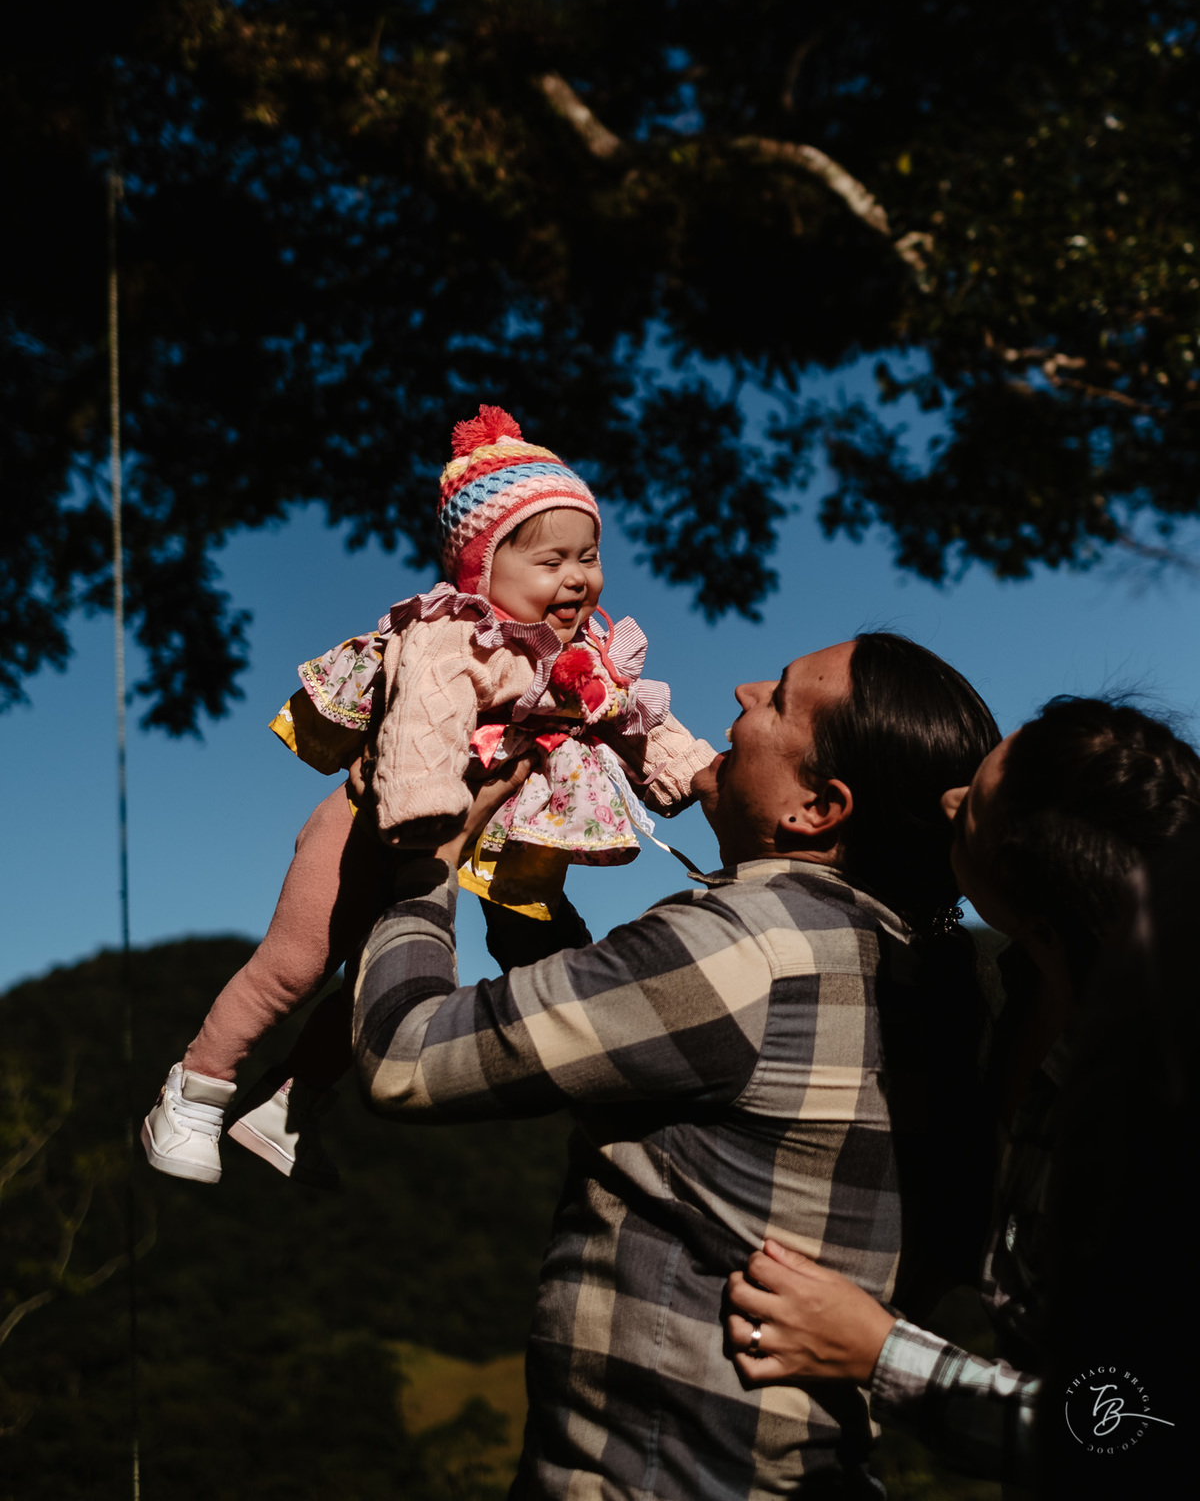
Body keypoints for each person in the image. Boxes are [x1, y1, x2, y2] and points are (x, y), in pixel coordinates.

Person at [353, 631, 999, 1497]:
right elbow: (645, 1048)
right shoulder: (936, 980)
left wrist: (422, 862)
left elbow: (404, 1055)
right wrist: (525, 892)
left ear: (818, 808)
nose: (742, 693)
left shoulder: (744, 947)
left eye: (778, 699)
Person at [141, 406, 715, 1188]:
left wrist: (701, 774)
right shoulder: (453, 636)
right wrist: (423, 811)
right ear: (482, 568)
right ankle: (196, 1088)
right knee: (297, 967)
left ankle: (288, 1108)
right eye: (551, 560)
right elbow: (422, 722)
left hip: (467, 842)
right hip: (377, 822)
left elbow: (642, 723)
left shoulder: (588, 658)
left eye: (589, 556)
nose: (578, 577)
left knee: (383, 984)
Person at [723, 697, 1200, 1492]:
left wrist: (878, 1351)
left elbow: (1148, 1430)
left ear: (1026, 887)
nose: (947, 801)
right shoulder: (1017, 995)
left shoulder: (1165, 1102)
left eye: (972, 806)